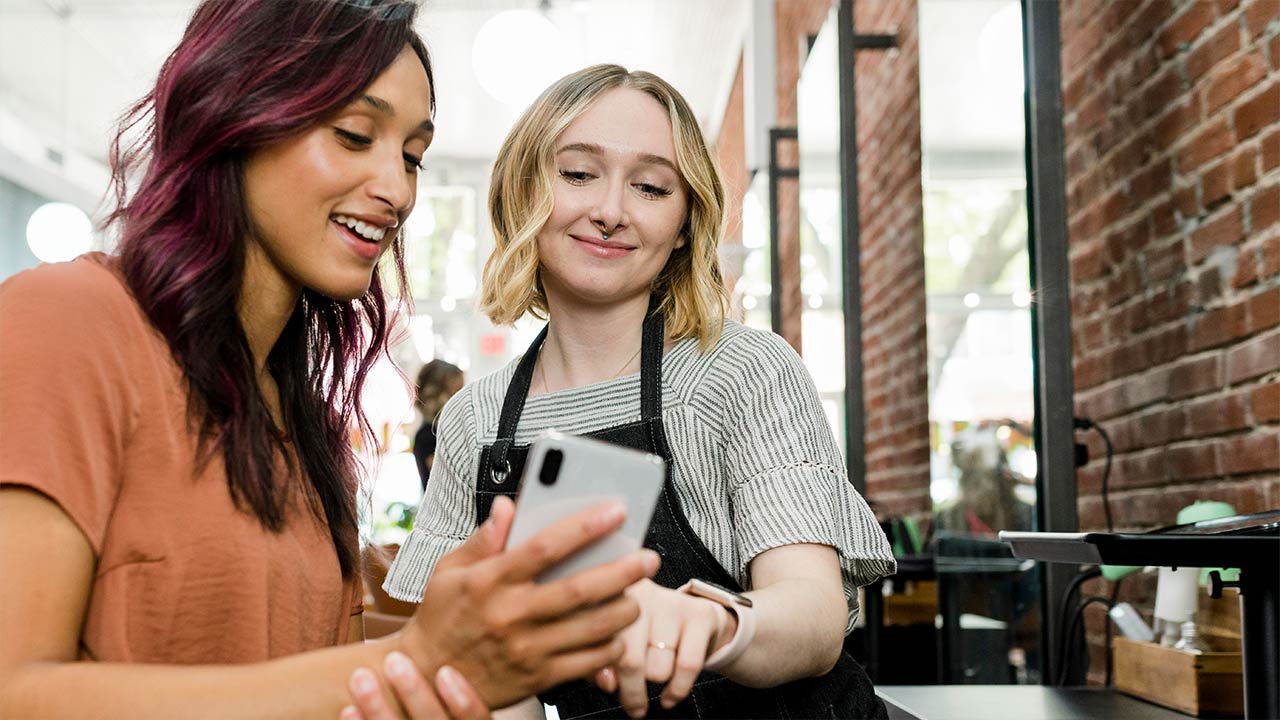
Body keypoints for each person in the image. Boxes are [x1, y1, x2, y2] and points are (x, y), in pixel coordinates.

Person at [0, 3, 660, 718]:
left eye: (411, 155)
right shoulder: (70, 320)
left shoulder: (301, 419)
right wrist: (409, 657)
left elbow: (318, 678)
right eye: (353, 135)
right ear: (236, 115)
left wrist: (461, 628)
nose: (398, 190)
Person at [383, 64, 897, 719]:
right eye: (577, 174)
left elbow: (815, 617)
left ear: (684, 223)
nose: (610, 211)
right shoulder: (475, 423)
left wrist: (711, 623)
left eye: (651, 187)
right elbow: (485, 674)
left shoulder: (743, 373)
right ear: (523, 192)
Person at [413, 359, 465, 488]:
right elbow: (450, 481)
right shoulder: (428, 436)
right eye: (457, 392)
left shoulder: (441, 431)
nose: (463, 399)